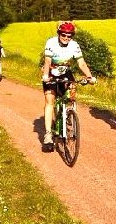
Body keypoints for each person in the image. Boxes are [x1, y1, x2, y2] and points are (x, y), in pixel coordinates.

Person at [41, 21, 96, 152]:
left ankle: (68, 114)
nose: (66, 38)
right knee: (50, 101)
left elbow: (81, 63)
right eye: (63, 35)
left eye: (69, 36)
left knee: (71, 93)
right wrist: (45, 75)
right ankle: (48, 135)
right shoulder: (51, 43)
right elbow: (47, 61)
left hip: (65, 72)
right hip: (51, 73)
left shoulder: (74, 45)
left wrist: (90, 77)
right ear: (59, 34)